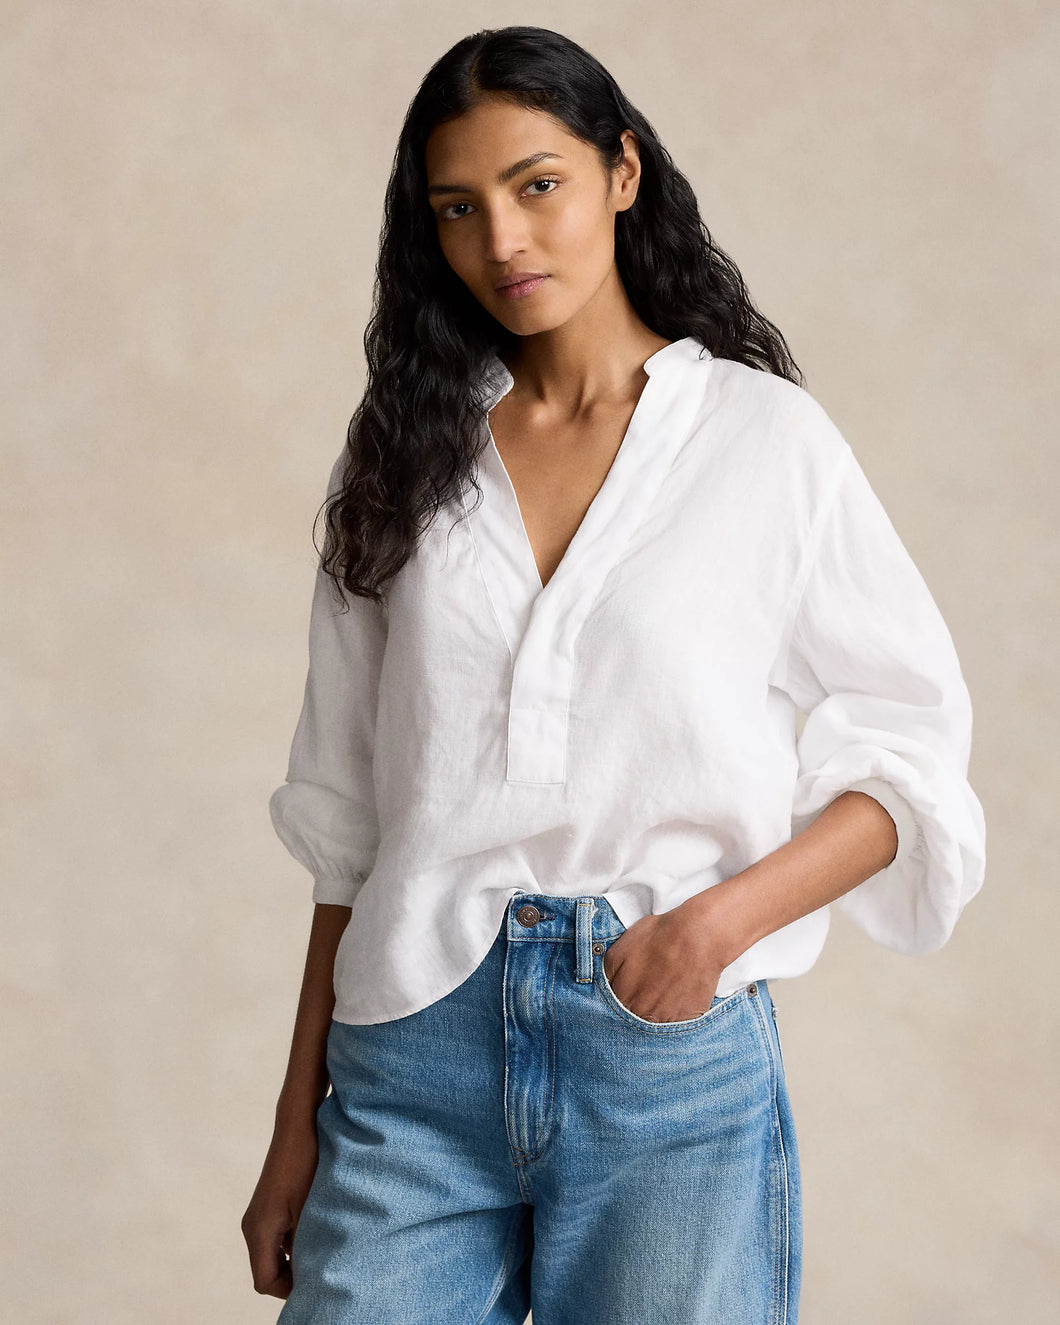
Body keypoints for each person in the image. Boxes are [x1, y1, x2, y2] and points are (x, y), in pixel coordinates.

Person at [241, 24, 986, 1325]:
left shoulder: (763, 442)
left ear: (622, 171)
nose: (505, 243)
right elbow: (349, 836)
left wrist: (714, 928)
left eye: (539, 186)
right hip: (413, 1053)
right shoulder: (403, 457)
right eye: (459, 209)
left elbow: (910, 760)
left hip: (662, 1051)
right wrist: (294, 1126)